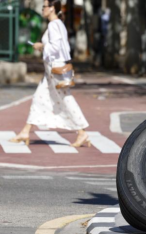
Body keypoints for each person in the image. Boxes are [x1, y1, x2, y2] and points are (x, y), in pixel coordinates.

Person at [10, 0, 90, 148]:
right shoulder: (58, 24)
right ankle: (25, 131)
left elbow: (56, 47)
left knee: (66, 98)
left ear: (52, 8)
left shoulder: (54, 25)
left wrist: (41, 46)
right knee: (39, 98)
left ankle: (81, 131)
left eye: (44, 7)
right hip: (51, 70)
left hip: (55, 70)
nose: (42, 9)